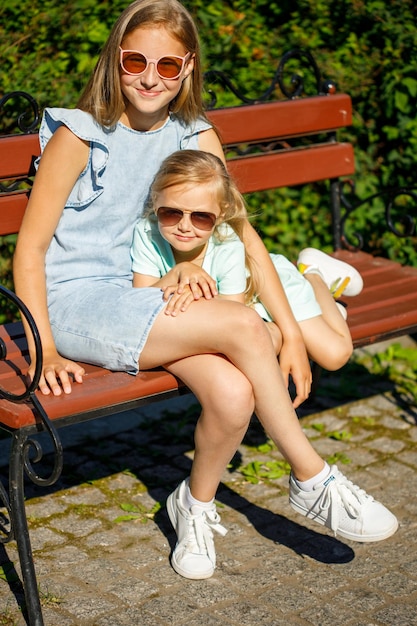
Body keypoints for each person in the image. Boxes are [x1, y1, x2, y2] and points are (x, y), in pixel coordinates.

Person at [13, 0, 398, 583]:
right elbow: (32, 251)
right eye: (135, 60)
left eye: (168, 66)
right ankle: (311, 478)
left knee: (234, 391)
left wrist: (291, 336)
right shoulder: (81, 134)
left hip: (149, 297)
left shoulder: (194, 134)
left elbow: (244, 236)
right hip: (81, 304)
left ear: (188, 69)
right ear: (114, 60)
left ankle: (192, 505)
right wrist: (45, 351)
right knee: (245, 326)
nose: (149, 77)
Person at [131, 149, 363, 372]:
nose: (184, 226)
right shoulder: (147, 233)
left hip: (262, 288)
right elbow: (139, 301)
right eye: (170, 212)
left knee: (335, 354)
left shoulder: (227, 244)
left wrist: (194, 296)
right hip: (245, 311)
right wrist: (177, 272)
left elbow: (233, 311)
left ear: (220, 215)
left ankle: (313, 274)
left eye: (201, 217)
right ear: (155, 203)